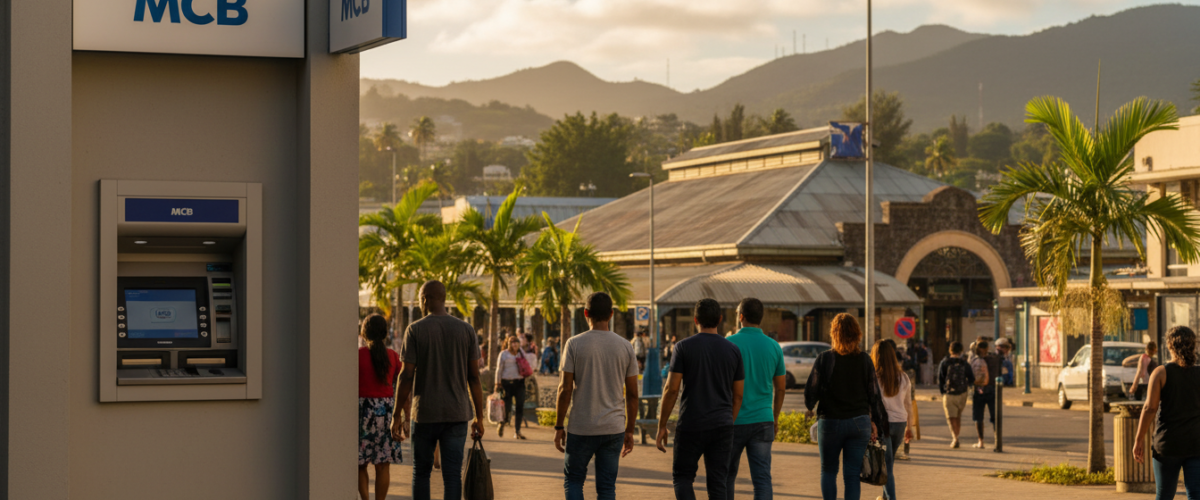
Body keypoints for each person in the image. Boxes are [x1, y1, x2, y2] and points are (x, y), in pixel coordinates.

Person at [391, 281, 487, 500]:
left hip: (424, 413)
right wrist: (479, 417)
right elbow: (474, 377)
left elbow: (406, 376)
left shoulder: (415, 329)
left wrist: (397, 415)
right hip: (457, 414)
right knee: (452, 475)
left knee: (421, 473)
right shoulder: (466, 330)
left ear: (424, 299)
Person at [554, 292, 640, 500]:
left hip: (581, 427)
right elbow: (633, 394)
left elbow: (565, 389)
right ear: (611, 314)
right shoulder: (625, 346)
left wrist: (558, 426)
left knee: (574, 480)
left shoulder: (574, 344)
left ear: (586, 313)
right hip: (613, 428)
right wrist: (629, 430)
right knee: (607, 487)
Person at [657, 298, 745, 500]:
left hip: (691, 423)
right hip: (722, 425)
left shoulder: (683, 347)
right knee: (718, 483)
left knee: (683, 477)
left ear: (695, 320)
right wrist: (728, 421)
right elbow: (738, 395)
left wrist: (662, 425)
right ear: (720, 319)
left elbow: (671, 389)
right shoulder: (733, 350)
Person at [804, 313, 886, 500]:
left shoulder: (824, 359)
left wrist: (811, 405)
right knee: (852, 475)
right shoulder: (865, 360)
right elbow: (874, 395)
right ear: (857, 334)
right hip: (859, 423)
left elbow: (810, 392)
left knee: (828, 470)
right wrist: (877, 424)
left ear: (834, 334)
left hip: (830, 422)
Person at [724, 298, 786, 500]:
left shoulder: (729, 344)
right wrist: (775, 417)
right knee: (762, 479)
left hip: (733, 420)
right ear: (761, 318)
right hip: (763, 420)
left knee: (727, 476)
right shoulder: (774, 347)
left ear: (741, 317)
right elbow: (781, 388)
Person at [1134, 326, 1200, 500]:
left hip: (1168, 444)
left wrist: (1139, 439)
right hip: (1196, 444)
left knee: (1164, 495)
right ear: (1193, 346)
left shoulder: (1161, 372)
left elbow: (1150, 408)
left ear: (1170, 345)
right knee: (1196, 494)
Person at [358, 314, 404, 500]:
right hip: (386, 412)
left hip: (362, 412)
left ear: (364, 333)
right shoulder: (393, 356)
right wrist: (403, 416)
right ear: (385, 333)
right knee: (383, 465)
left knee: (359, 463)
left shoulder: (357, 356)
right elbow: (403, 387)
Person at [872, 340, 915, 500]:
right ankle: (884, 497)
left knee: (887, 465)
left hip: (883, 425)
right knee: (888, 464)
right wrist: (909, 428)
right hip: (900, 423)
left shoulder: (874, 378)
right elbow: (908, 404)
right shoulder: (903, 377)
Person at [936, 341, 975, 448]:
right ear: (961, 350)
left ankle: (955, 438)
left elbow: (940, 378)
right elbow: (971, 378)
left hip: (949, 393)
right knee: (958, 416)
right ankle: (956, 436)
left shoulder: (945, 362)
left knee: (951, 417)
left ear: (950, 350)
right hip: (962, 393)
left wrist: (943, 392)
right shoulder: (964, 363)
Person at [495, 334, 528, 440]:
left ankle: (517, 431)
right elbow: (499, 369)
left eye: (516, 342)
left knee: (520, 407)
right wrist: (497, 383)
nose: (514, 344)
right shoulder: (503, 354)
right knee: (507, 407)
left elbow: (527, 364)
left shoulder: (521, 353)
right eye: (512, 342)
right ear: (508, 344)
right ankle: (502, 423)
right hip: (506, 384)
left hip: (519, 383)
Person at [970, 341, 1000, 449]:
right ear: (987, 348)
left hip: (978, 390)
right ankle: (997, 441)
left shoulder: (975, 360)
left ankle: (981, 442)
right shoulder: (994, 359)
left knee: (978, 417)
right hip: (992, 389)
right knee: (995, 416)